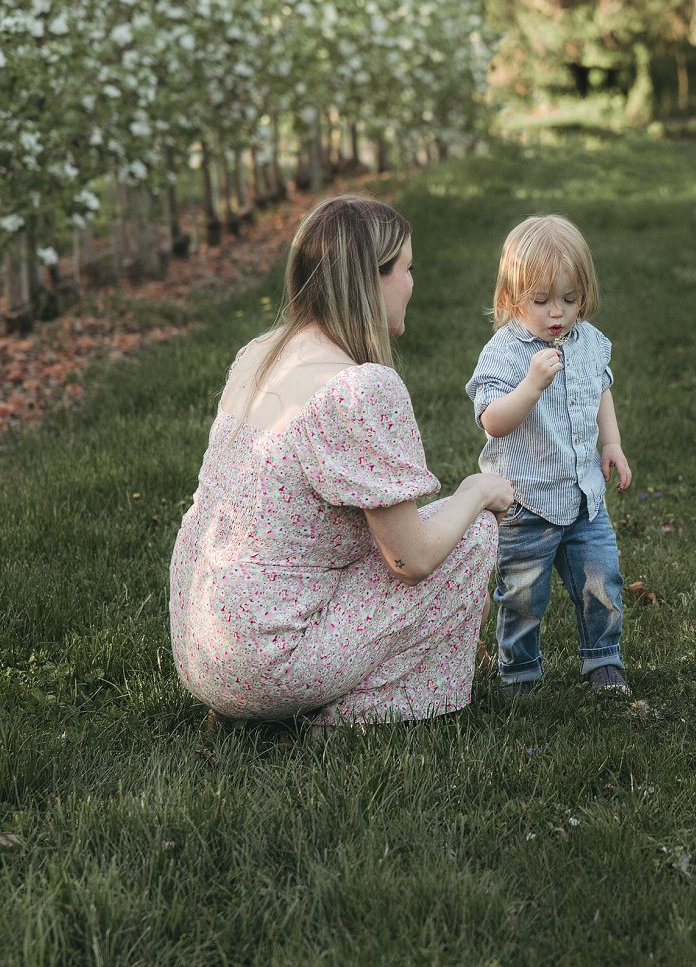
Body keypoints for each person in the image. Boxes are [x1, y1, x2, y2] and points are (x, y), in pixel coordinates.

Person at [169, 195, 511, 724]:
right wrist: (477, 492)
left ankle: (271, 701)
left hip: (203, 649)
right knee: (473, 535)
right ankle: (345, 713)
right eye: (408, 268)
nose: (413, 284)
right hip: (266, 663)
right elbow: (410, 560)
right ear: (372, 280)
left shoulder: (260, 353)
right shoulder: (357, 390)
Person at [466, 214, 635, 693]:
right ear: (513, 297)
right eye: (541, 301)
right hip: (525, 504)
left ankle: (603, 658)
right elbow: (492, 420)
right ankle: (520, 671)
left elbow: (600, 389)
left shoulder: (589, 342)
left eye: (570, 299)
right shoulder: (504, 353)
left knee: (602, 581)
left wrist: (612, 443)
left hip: (584, 497)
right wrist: (531, 386)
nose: (556, 312)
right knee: (522, 594)